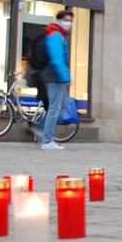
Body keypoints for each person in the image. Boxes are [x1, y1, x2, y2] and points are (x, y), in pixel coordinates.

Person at [40, 9, 74, 150]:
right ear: (59, 20)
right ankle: (47, 141)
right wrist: (66, 77)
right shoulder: (56, 35)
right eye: (66, 20)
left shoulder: (56, 34)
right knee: (54, 108)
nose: (69, 23)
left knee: (55, 107)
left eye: (70, 21)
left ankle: (45, 135)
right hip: (55, 76)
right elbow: (57, 59)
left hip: (54, 75)